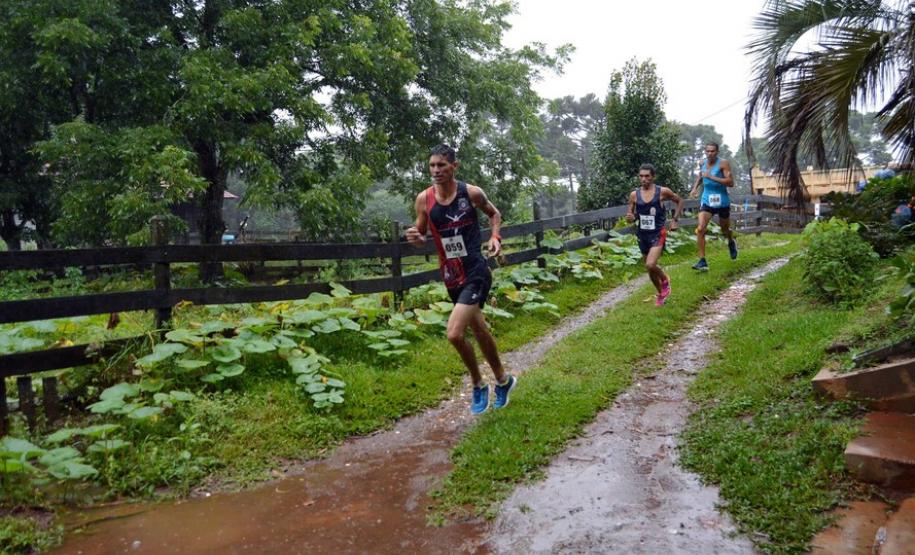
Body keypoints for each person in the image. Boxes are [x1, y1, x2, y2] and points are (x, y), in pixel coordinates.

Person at [405, 144, 516, 415]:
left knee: (454, 334)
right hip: (451, 275)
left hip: (476, 271)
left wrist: (495, 237)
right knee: (478, 329)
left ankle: (478, 384)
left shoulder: (471, 193)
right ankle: (503, 380)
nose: (435, 170)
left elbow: (494, 214)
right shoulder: (424, 200)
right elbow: (420, 236)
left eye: (441, 165)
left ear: (454, 166)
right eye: (432, 165)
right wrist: (415, 238)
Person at [626, 163, 684, 306]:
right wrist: (630, 217)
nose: (644, 179)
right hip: (642, 234)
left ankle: (665, 280)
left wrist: (675, 220)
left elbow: (680, 201)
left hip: (658, 232)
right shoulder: (634, 195)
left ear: (653, 177)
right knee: (650, 270)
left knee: (650, 264)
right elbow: (630, 214)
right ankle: (661, 294)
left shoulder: (663, 191)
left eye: (647, 176)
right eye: (641, 176)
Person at [689, 142, 738, 270]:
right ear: (705, 152)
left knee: (725, 230)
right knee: (700, 229)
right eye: (708, 151)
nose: (710, 153)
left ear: (717, 152)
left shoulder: (723, 163)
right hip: (707, 200)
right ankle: (702, 261)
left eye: (713, 151)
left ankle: (731, 241)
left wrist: (711, 176)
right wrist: (694, 188)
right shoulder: (702, 163)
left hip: (722, 201)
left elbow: (731, 182)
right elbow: (701, 176)